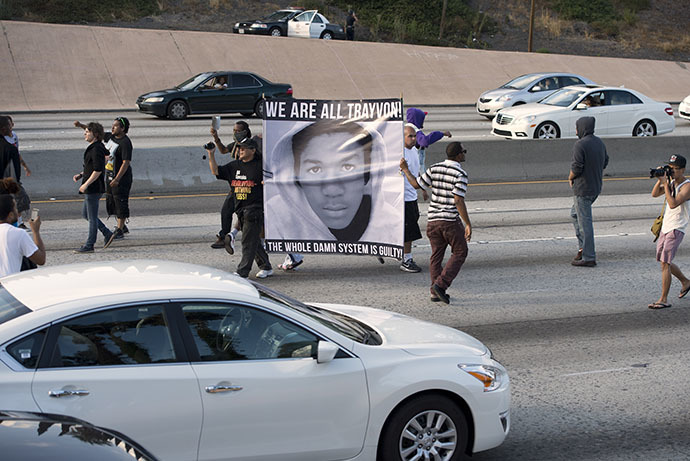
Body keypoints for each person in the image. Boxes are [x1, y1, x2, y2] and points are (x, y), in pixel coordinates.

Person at [264, 120, 401, 244]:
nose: (332, 190)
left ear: (368, 175)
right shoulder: (276, 218)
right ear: (296, 178)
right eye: (315, 170)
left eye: (348, 167)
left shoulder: (392, 226)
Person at [400, 141, 471, 304]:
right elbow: (458, 200)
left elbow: (416, 184)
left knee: (436, 255)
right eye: (463, 152)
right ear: (459, 155)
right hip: (449, 221)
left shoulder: (434, 168)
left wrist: (404, 169)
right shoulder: (460, 174)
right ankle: (441, 285)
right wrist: (467, 223)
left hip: (432, 221)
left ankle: (434, 292)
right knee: (460, 252)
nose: (464, 154)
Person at [206, 137, 273, 279]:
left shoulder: (261, 166)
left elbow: (275, 178)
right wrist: (211, 154)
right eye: (239, 148)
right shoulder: (234, 166)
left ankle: (242, 272)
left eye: (243, 148)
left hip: (254, 209)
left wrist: (267, 182)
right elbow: (216, 171)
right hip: (241, 209)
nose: (240, 150)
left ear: (253, 150)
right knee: (252, 239)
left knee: (247, 241)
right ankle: (265, 266)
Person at [74, 117, 133, 248]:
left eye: (116, 126)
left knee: (120, 202)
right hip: (109, 176)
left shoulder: (125, 143)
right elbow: (95, 133)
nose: (112, 128)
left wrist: (86, 184)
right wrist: (80, 125)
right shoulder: (108, 139)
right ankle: (107, 233)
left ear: (122, 128)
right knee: (90, 213)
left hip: (119, 179)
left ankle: (94, 242)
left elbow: (125, 162)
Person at [209, 120, 261, 252]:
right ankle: (225, 236)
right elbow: (223, 150)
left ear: (245, 131)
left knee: (246, 216)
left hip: (251, 185)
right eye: (234, 131)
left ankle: (236, 236)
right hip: (238, 183)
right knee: (227, 210)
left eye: (238, 131)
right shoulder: (237, 145)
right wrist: (216, 137)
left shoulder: (252, 144)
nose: (235, 133)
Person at [649, 154, 690, 309]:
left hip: (676, 228)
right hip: (666, 227)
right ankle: (686, 282)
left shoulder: (687, 186)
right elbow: (654, 194)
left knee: (665, 262)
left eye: (675, 169)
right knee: (663, 260)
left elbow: (673, 204)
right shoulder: (671, 182)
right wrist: (661, 180)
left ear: (683, 169)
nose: (671, 171)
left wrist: (666, 184)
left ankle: (663, 299)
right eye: (670, 168)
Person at [568, 116, 608, 267]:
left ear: (582, 127)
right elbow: (605, 161)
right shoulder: (599, 142)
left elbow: (576, 167)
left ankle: (589, 256)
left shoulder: (580, 144)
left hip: (583, 189)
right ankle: (582, 248)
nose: (576, 130)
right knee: (574, 214)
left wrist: (570, 177)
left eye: (577, 127)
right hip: (595, 187)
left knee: (585, 223)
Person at [73, 122, 112, 253]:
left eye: (87, 132)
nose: (85, 133)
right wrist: (81, 175)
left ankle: (90, 245)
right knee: (87, 214)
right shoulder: (96, 147)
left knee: (91, 217)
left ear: (95, 134)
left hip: (94, 188)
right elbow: (91, 167)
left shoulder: (96, 149)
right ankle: (107, 233)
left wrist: (85, 184)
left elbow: (98, 170)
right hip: (92, 186)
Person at [400, 125, 427, 273]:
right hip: (403, 197)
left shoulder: (414, 151)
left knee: (409, 226)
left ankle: (393, 250)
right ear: (402, 137)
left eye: (414, 136)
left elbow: (416, 172)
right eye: (410, 136)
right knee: (409, 230)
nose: (414, 139)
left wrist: (422, 188)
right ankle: (406, 259)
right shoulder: (400, 154)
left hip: (412, 196)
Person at [0, 195, 45, 277]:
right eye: (15, 208)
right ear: (10, 215)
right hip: (7, 285)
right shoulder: (18, 234)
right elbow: (41, 259)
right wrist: (36, 232)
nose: (17, 211)